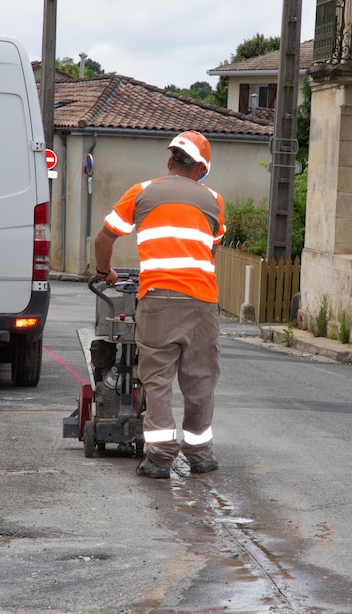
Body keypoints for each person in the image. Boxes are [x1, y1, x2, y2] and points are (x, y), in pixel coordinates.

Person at [94, 130, 225, 479]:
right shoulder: (214, 199)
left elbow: (104, 237)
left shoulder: (142, 192)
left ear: (170, 161)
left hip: (158, 300)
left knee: (158, 381)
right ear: (201, 170)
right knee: (200, 381)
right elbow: (210, 251)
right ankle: (200, 456)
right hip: (202, 302)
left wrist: (104, 271)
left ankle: (160, 459)